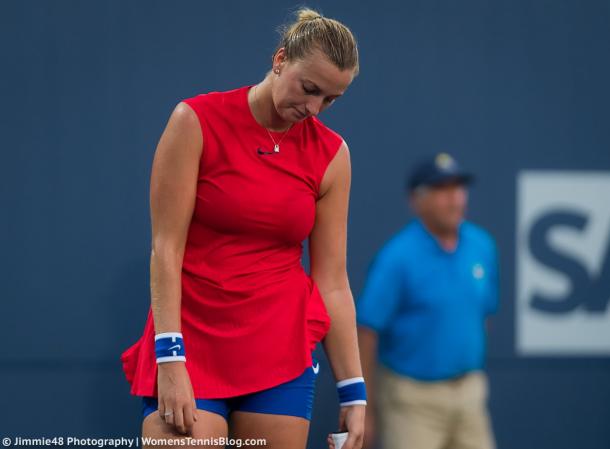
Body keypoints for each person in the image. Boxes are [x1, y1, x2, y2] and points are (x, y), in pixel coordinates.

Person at [119, 7, 367, 449]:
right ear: (279, 60)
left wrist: (353, 388)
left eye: (330, 99)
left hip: (280, 347)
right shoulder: (194, 121)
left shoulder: (332, 154)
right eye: (309, 88)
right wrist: (170, 358)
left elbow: (331, 281)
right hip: (190, 339)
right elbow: (166, 249)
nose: (313, 109)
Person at [357, 153, 499, 449]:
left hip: (470, 394)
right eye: (442, 190)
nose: (455, 199)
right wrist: (366, 409)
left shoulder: (482, 246)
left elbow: (484, 313)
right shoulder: (396, 258)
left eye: (458, 188)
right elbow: (367, 330)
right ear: (416, 200)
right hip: (412, 399)